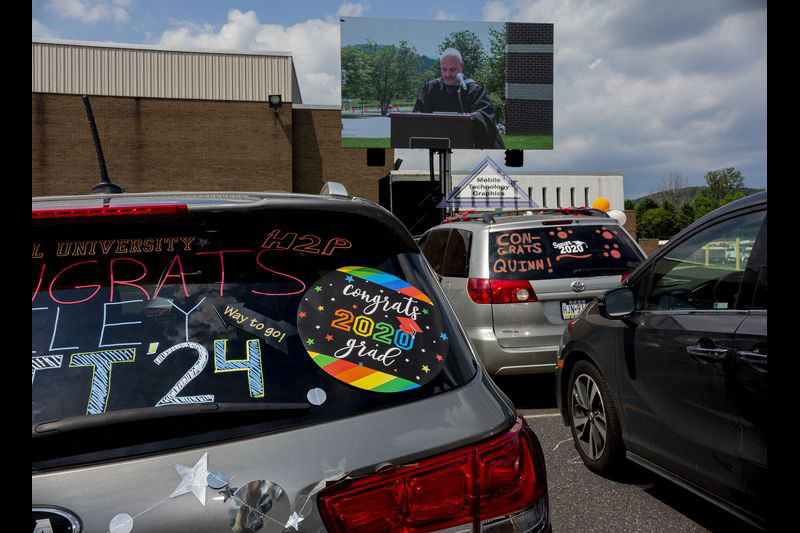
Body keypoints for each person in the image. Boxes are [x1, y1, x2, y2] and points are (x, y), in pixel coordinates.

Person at [413, 48, 505, 149]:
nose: (447, 75)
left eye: (452, 69)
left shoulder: (474, 90)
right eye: (444, 69)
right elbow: (417, 118)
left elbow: (485, 118)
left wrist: (464, 120)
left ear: (461, 66)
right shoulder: (430, 89)